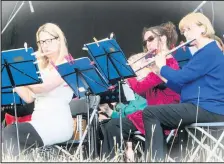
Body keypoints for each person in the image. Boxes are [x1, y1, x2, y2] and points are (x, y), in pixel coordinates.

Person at [142, 12, 224, 162]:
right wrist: (158, 72)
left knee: (150, 113)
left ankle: (155, 160)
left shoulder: (210, 51)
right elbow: (181, 86)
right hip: (201, 107)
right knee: (152, 113)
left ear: (202, 28)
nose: (185, 34)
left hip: (209, 108)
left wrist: (162, 66)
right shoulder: (202, 54)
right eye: (183, 31)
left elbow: (181, 77)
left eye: (188, 29)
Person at [100, 21, 181, 160]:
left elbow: (139, 87)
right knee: (111, 124)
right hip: (151, 114)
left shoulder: (168, 63)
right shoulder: (154, 65)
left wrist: (129, 71)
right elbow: (143, 92)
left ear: (163, 39)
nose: (147, 44)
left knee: (114, 125)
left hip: (163, 117)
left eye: (151, 39)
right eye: (145, 42)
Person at [2, 23, 74, 157]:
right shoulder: (41, 66)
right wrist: (11, 75)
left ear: (59, 40)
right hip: (38, 121)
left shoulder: (67, 64)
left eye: (48, 41)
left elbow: (43, 87)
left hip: (57, 123)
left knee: (11, 133)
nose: (44, 46)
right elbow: (29, 97)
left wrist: (21, 75)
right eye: (41, 42)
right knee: (5, 134)